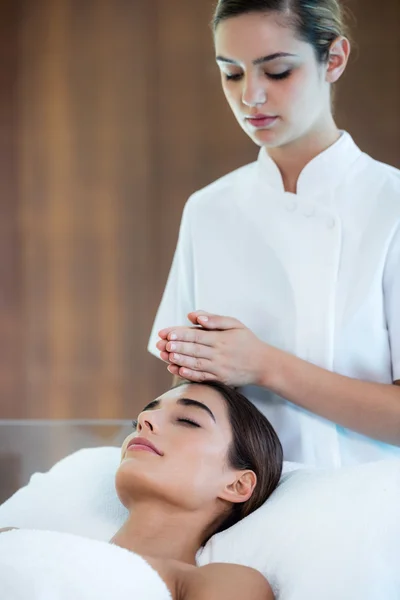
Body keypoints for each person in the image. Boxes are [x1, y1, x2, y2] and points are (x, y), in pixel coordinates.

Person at [148, 0, 400, 468]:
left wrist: (264, 364)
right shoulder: (209, 210)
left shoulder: (392, 206)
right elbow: (189, 395)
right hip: (242, 513)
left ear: (334, 59)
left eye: (278, 71)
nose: (251, 97)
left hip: (372, 510)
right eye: (232, 73)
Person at [0, 380, 283, 599]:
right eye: (139, 422)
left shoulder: (219, 582)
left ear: (237, 484)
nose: (144, 421)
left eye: (187, 420)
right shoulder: (16, 540)